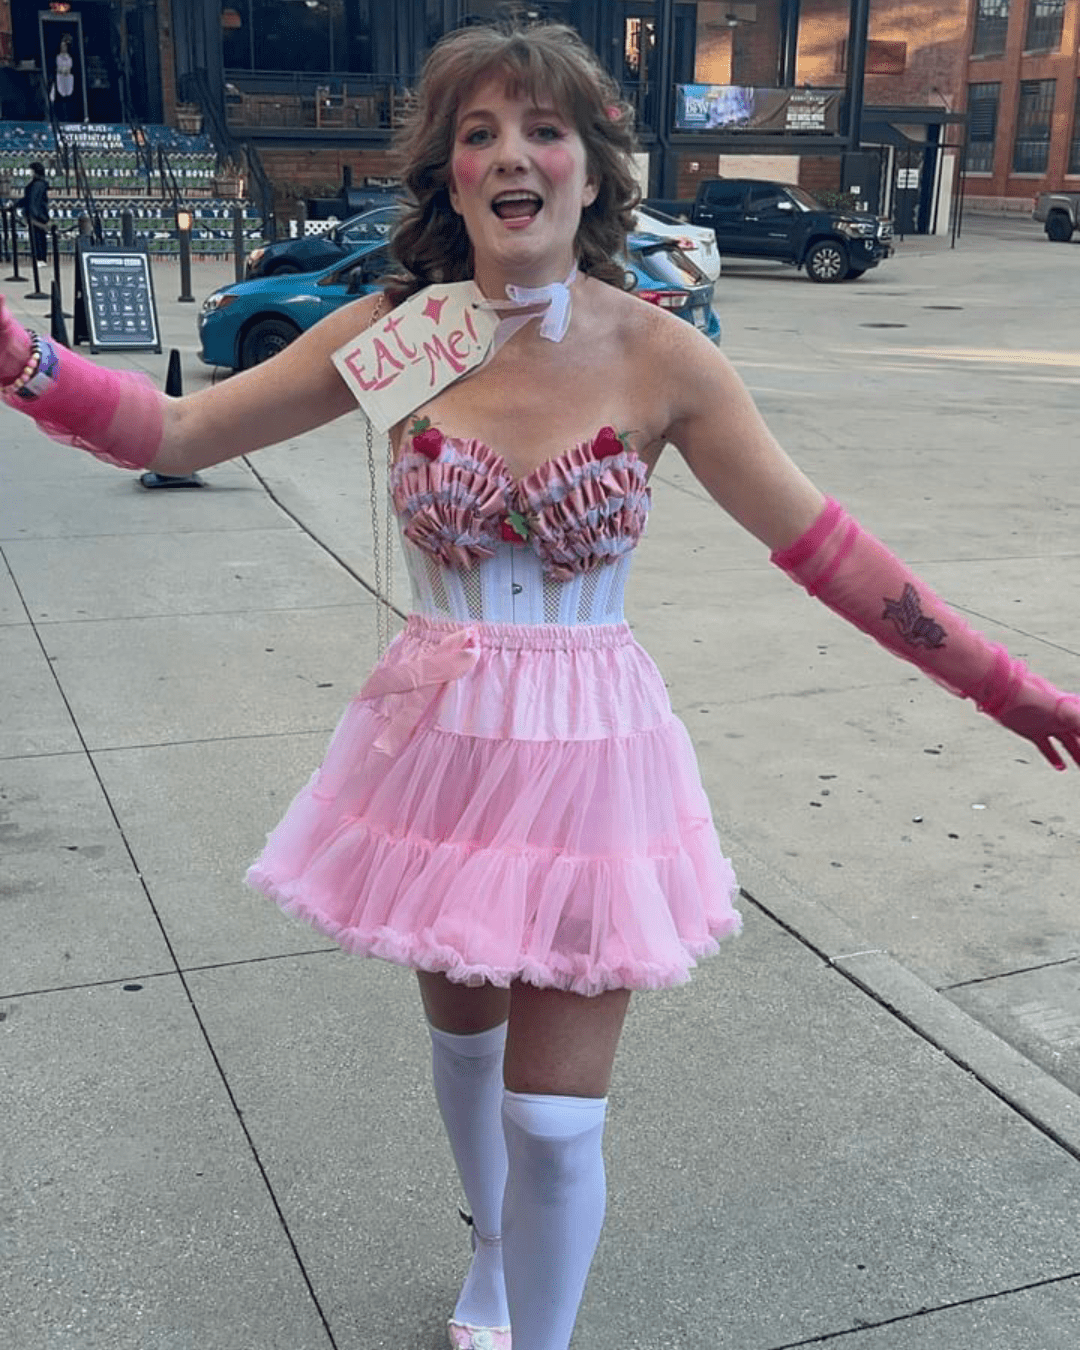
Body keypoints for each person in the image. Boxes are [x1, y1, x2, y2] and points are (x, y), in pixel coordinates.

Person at [2, 21, 1078, 1350]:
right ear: (451, 178)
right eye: (480, 133)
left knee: (555, 1113)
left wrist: (1009, 686)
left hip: (589, 750)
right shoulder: (403, 334)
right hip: (438, 743)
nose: (514, 152)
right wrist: (21, 359)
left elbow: (829, 550)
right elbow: (177, 427)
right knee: (464, 1049)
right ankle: (495, 1250)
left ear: (592, 168)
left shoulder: (661, 356)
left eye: (544, 129)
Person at [20, 161, 49, 264]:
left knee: (38, 238)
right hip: (37, 214)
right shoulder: (37, 184)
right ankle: (39, 258)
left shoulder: (37, 185)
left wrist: (34, 215)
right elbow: (28, 199)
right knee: (37, 237)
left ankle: (40, 258)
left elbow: (33, 201)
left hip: (36, 216)